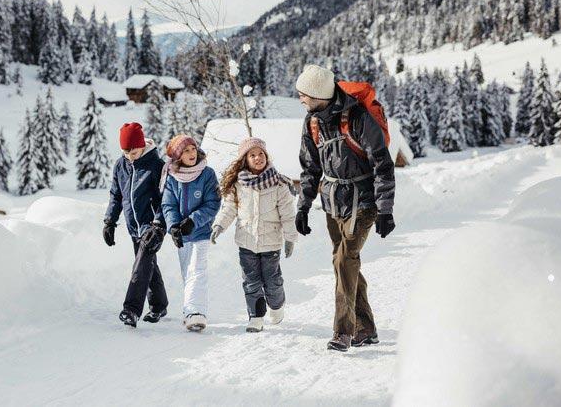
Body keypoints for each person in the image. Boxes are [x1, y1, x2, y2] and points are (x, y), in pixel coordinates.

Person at [294, 64, 396, 352]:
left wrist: (385, 209)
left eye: (303, 94)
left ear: (317, 95)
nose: (300, 99)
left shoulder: (358, 118)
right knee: (344, 263)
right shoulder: (311, 122)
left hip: (363, 200)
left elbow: (383, 165)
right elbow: (310, 167)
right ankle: (367, 329)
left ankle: (344, 332)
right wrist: (303, 206)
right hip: (332, 201)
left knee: (344, 260)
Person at [211, 137, 298, 333]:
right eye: (252, 155)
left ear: (266, 156)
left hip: (271, 242)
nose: (257, 158)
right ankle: (256, 317)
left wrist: (290, 238)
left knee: (272, 282)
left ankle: (276, 306)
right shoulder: (239, 185)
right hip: (246, 241)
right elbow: (229, 209)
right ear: (245, 159)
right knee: (251, 282)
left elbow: (288, 214)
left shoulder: (279, 184)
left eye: (261, 154)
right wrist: (219, 226)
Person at [104, 122, 168, 328]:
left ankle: (131, 309)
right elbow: (116, 195)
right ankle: (159, 305)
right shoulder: (120, 165)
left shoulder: (156, 166)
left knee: (140, 267)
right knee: (148, 265)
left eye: (134, 152)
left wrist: (158, 225)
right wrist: (110, 221)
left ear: (142, 145)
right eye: (126, 152)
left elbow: (165, 198)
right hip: (134, 227)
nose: (130, 156)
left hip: (152, 226)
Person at [159, 134, 221, 332]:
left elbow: (213, 203)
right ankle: (189, 313)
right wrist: (174, 226)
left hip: (201, 231)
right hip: (183, 236)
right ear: (178, 156)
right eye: (186, 151)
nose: (191, 153)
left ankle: (197, 312)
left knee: (198, 270)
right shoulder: (172, 176)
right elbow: (168, 204)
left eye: (193, 148)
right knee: (188, 273)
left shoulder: (207, 174)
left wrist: (193, 220)